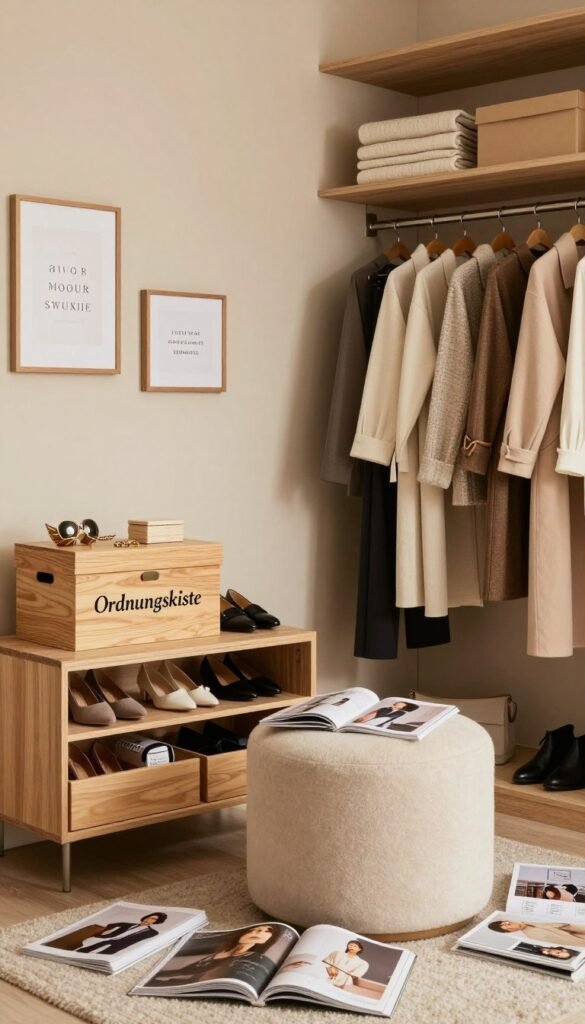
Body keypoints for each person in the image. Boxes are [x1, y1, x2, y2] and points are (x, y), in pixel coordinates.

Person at [148, 925, 278, 988]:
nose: (259, 932)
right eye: (252, 930)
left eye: (267, 931)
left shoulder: (252, 958)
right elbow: (181, 972)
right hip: (165, 983)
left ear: (269, 939)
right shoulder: (217, 952)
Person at [75, 912, 168, 955]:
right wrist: (102, 935)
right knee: (84, 949)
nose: (149, 919)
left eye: (153, 919)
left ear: (156, 922)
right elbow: (108, 926)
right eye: (149, 917)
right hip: (106, 939)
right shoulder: (126, 924)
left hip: (119, 945)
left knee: (103, 955)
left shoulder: (152, 933)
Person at [488, 919, 585, 948]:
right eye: (507, 926)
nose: (511, 924)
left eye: (507, 922)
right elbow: (568, 940)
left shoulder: (529, 923)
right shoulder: (533, 935)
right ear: (508, 932)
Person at [353, 701, 419, 727]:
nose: (396, 703)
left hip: (370, 723)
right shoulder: (399, 712)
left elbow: (362, 719)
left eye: (400, 703)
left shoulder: (399, 712)